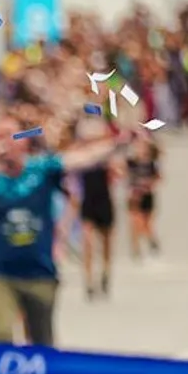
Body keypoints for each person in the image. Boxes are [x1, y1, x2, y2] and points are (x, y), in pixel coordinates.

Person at [0, 114, 118, 348]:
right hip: (1, 274)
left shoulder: (41, 167)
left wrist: (117, 143)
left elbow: (81, 159)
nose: (4, 143)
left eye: (11, 136)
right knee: (3, 333)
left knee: (41, 340)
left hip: (40, 272)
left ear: (24, 141)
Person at [74, 118, 122, 299]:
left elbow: (118, 173)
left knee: (107, 240)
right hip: (88, 199)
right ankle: (88, 279)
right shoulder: (81, 156)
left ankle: (106, 271)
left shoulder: (107, 155)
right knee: (87, 240)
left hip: (104, 198)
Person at [124, 134, 162, 259]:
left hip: (146, 195)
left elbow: (158, 177)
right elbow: (123, 172)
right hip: (134, 196)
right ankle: (136, 249)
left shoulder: (152, 163)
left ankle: (151, 239)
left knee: (147, 223)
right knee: (135, 222)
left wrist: (148, 185)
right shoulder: (131, 162)